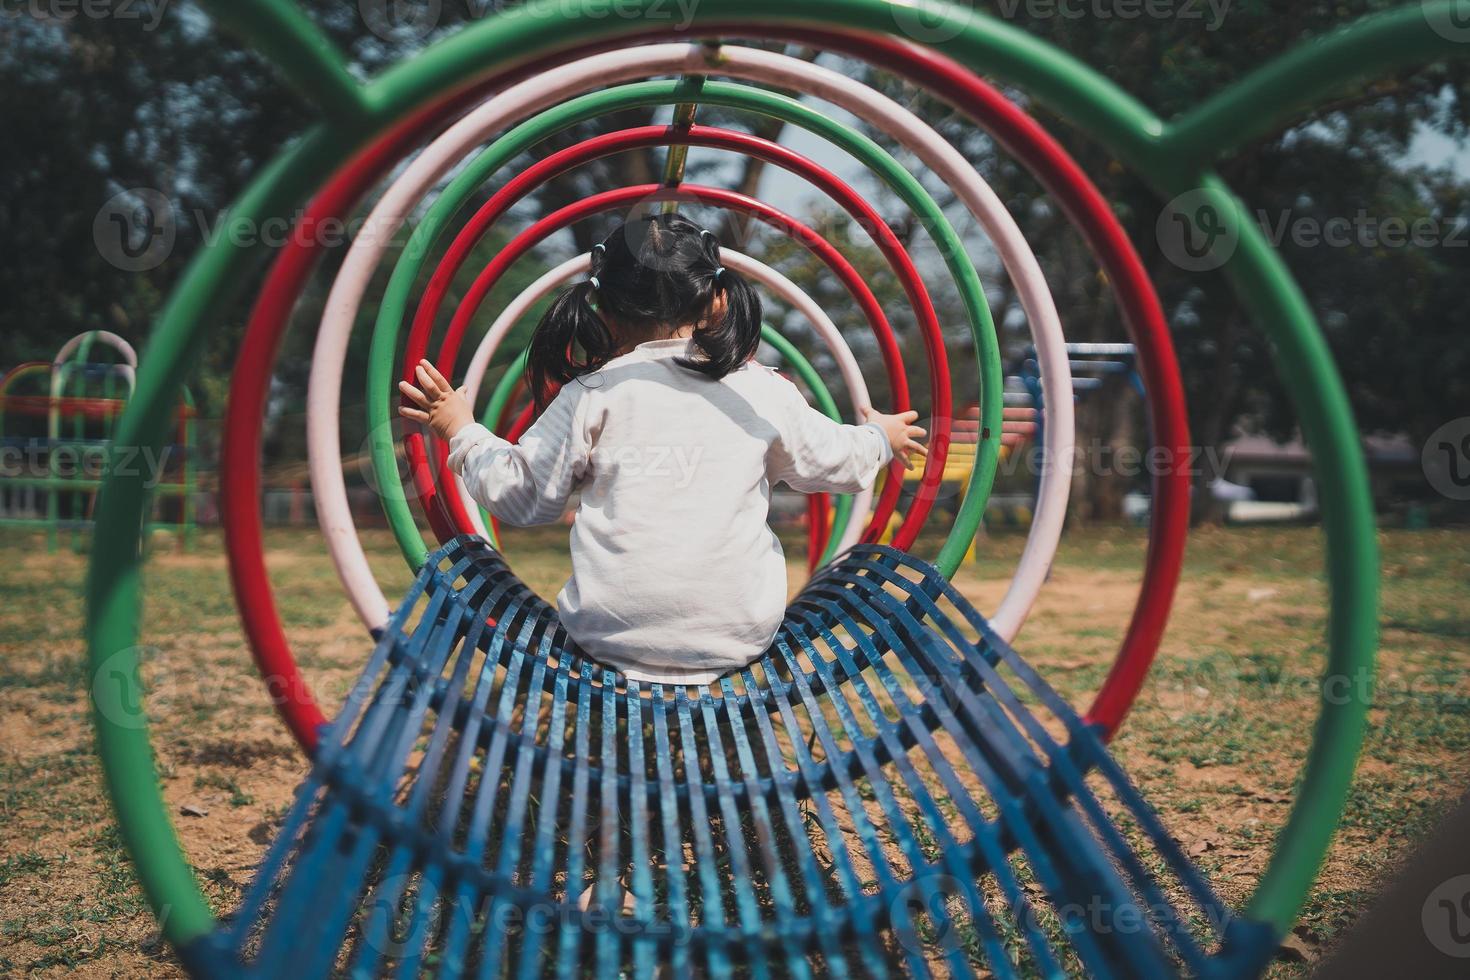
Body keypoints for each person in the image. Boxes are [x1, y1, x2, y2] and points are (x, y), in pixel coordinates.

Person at [399, 213, 925, 685]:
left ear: (599, 304)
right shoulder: (763, 390)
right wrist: (881, 437)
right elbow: (833, 459)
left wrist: (462, 429)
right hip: (739, 633)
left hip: (606, 634)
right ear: (718, 297)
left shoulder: (593, 394)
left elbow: (521, 495)